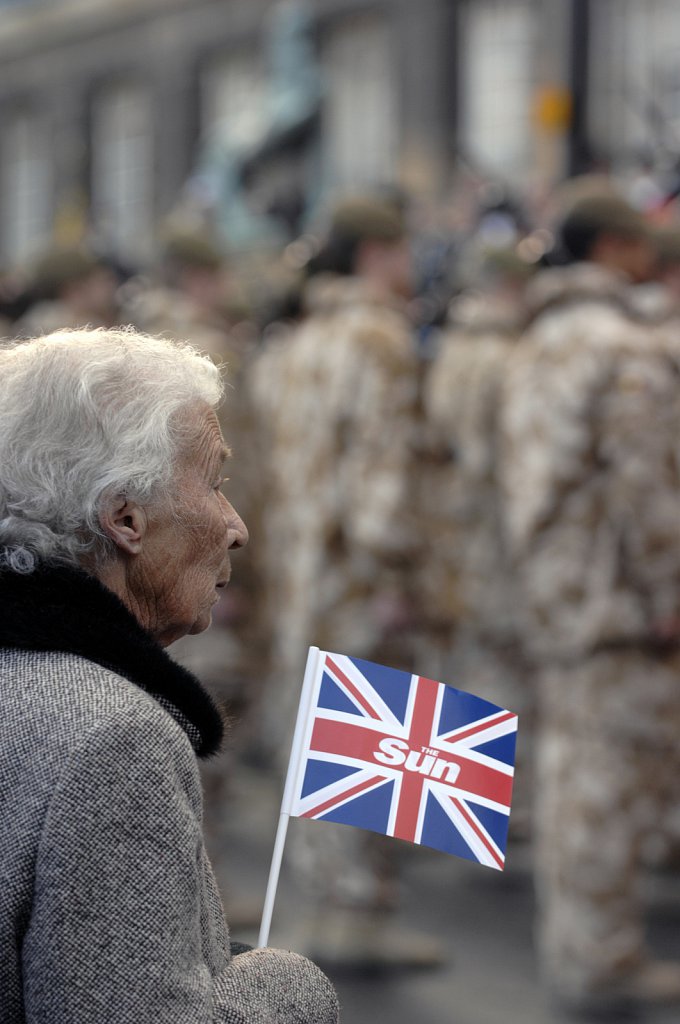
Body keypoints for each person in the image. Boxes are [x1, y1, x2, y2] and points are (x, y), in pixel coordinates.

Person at [0, 328, 340, 1024]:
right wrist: (286, 986)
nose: (236, 525)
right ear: (125, 518)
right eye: (214, 484)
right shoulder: (110, 741)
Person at [247, 195, 440, 967]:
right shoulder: (379, 338)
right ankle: (359, 916)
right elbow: (384, 471)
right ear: (378, 254)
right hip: (358, 573)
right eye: (404, 250)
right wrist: (395, 569)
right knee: (375, 738)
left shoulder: (295, 344)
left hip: (303, 570)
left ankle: (327, 903)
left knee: (319, 737)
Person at [500, 192, 680, 1013]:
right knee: (611, 781)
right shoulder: (626, 347)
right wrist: (670, 590)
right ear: (616, 247)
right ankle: (600, 962)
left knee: (574, 774)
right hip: (616, 600)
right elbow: (648, 490)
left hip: (555, 590)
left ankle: (577, 950)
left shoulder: (534, 343)